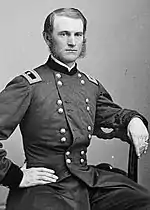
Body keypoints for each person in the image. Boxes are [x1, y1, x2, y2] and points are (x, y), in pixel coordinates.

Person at [0, 7, 150, 210]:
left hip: (86, 180)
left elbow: (113, 114)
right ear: (47, 37)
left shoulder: (90, 86)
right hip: (45, 185)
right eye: (64, 34)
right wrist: (14, 175)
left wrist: (134, 120)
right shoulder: (27, 85)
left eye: (77, 34)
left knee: (142, 201)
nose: (72, 42)